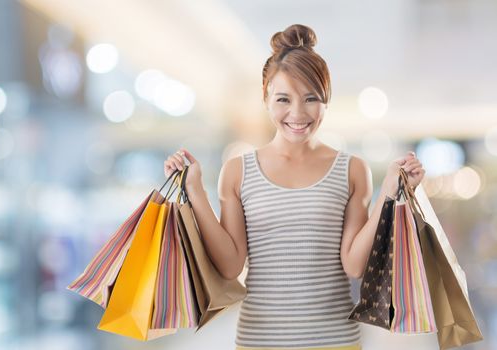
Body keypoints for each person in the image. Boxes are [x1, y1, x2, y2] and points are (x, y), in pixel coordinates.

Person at [164, 24, 425, 350]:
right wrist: (196, 192)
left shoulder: (351, 170)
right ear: (266, 98)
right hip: (258, 341)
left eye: (311, 98)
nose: (297, 114)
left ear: (326, 100)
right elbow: (231, 266)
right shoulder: (237, 171)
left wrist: (389, 191)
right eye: (283, 99)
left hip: (335, 341)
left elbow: (354, 265)